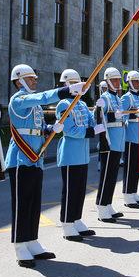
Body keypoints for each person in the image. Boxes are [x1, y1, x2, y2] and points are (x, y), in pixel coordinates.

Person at [6, 63, 86, 267]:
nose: (34, 81)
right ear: (19, 81)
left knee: (34, 204)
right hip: (20, 158)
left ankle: (32, 241)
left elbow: (38, 127)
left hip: (35, 157)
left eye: (34, 78)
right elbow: (42, 98)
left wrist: (51, 128)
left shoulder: (32, 104)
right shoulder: (19, 100)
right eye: (30, 78)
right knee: (22, 205)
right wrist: (66, 91)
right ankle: (19, 245)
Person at [55, 69, 104, 241]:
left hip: (82, 154)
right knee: (69, 190)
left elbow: (90, 121)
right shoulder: (63, 105)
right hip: (70, 153)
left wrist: (98, 109)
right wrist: (92, 131)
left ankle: (76, 219)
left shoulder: (82, 104)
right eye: (73, 83)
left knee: (80, 189)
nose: (78, 87)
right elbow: (70, 130)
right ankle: (67, 223)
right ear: (66, 84)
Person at [94, 67, 126, 222]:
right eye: (114, 80)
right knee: (106, 176)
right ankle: (101, 207)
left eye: (118, 80)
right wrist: (115, 116)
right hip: (108, 142)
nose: (117, 82)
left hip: (118, 142)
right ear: (107, 81)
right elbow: (99, 118)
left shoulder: (117, 98)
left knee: (112, 176)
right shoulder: (104, 98)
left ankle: (108, 204)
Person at [120, 70, 139, 208]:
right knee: (130, 167)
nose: (137, 84)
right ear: (129, 83)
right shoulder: (126, 98)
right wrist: (135, 115)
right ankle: (127, 194)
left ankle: (133, 192)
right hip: (131, 138)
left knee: (137, 167)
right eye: (134, 81)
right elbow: (121, 116)